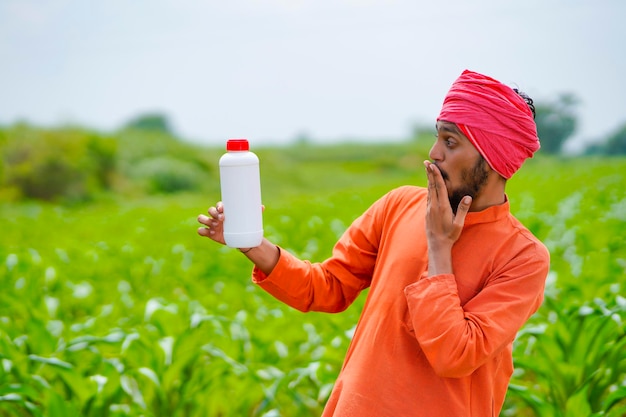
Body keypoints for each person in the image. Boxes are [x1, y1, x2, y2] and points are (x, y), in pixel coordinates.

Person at [197, 69, 550, 416]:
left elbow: (455, 355)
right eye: (438, 137)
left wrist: (439, 247)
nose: (434, 153)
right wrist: (252, 244)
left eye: (450, 141)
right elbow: (327, 287)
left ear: (492, 157)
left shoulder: (523, 257)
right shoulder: (399, 205)